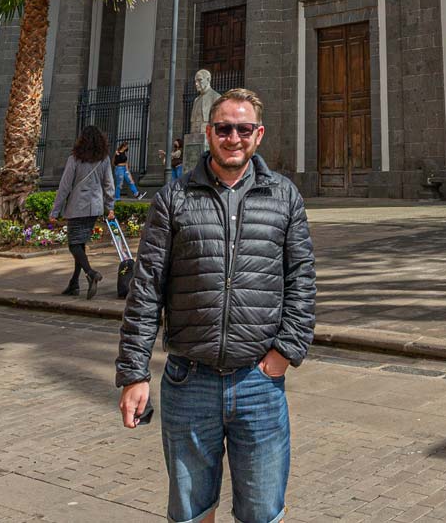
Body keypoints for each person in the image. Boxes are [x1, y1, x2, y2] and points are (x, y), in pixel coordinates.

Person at [118, 87, 316, 523]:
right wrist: (135, 372)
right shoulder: (174, 198)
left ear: (258, 134)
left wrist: (286, 352)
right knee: (191, 512)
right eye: (223, 128)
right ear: (208, 132)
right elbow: (146, 287)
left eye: (243, 129)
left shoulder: (284, 197)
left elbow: (301, 281)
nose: (233, 137)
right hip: (189, 381)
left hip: (259, 384)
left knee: (262, 513)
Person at [50, 125, 117, 298]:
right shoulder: (104, 159)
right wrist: (110, 206)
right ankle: (74, 283)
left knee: (74, 245)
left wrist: (55, 211)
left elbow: (64, 187)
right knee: (80, 245)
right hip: (94, 207)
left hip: (77, 206)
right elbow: (109, 184)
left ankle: (91, 273)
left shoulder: (74, 159)